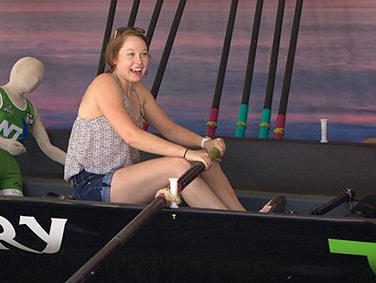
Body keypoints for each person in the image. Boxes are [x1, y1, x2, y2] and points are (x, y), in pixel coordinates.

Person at [64, 27, 284, 213]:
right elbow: (131, 136)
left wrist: (203, 143)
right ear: (114, 58)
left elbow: (168, 128)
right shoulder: (105, 83)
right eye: (130, 54)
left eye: (144, 54)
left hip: (119, 179)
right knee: (177, 165)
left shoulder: (138, 91)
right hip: (92, 184)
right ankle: (231, 225)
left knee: (205, 161)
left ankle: (244, 215)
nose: (139, 61)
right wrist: (186, 153)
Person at [0, 57, 66, 195]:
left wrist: (75, 165)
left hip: (11, 167)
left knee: (13, 213)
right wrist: (3, 143)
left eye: (40, 78)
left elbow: (47, 146)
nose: (36, 80)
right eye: (31, 72)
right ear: (16, 70)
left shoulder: (31, 110)